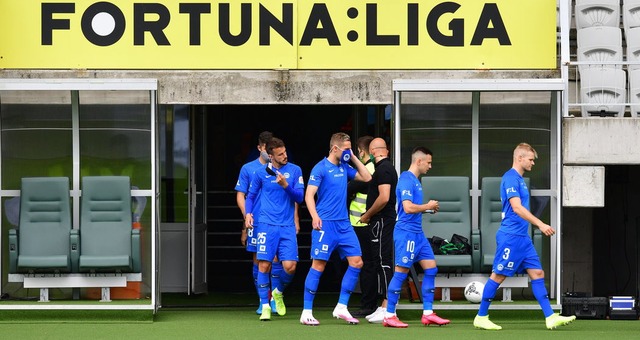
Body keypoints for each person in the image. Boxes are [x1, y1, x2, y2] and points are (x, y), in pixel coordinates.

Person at [473, 143, 576, 330]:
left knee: (537, 273)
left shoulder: (520, 180)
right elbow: (517, 208)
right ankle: (481, 316)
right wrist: (540, 223)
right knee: (498, 276)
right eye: (530, 159)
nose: (533, 163)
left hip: (523, 238)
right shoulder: (510, 178)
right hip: (511, 237)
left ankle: (550, 317)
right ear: (519, 158)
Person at [300, 132, 372, 326]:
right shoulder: (320, 168)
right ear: (334, 149)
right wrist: (315, 217)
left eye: (350, 148)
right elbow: (309, 196)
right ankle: (306, 312)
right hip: (325, 224)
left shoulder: (345, 167)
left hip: (344, 224)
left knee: (357, 262)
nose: (349, 151)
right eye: (346, 148)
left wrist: (353, 157)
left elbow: (367, 177)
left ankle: (341, 307)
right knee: (319, 265)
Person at [382, 146, 450, 328]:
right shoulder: (406, 179)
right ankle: (389, 314)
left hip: (418, 234)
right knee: (401, 272)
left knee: (431, 268)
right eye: (428, 162)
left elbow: (414, 208)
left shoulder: (416, 181)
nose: (430, 166)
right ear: (418, 161)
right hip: (406, 233)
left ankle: (428, 313)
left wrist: (427, 208)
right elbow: (408, 207)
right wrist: (427, 205)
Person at [245, 137, 304, 321]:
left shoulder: (295, 170)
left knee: (290, 267)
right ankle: (265, 306)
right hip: (265, 225)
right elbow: (250, 196)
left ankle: (277, 292)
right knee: (264, 265)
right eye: (280, 154)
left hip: (286, 226)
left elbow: (300, 197)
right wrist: (248, 214)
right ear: (270, 156)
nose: (285, 156)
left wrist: (285, 186)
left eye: (285, 152)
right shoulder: (261, 173)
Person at [234, 131, 282, 315]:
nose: (268, 152)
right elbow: (241, 195)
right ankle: (263, 301)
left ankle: (276, 298)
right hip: (257, 222)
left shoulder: (282, 167)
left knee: (277, 259)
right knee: (259, 260)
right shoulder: (248, 168)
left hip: (277, 221)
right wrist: (246, 219)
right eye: (266, 148)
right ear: (260, 148)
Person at [355, 138, 397, 324]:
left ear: (373, 151)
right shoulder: (382, 168)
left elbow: (384, 198)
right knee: (380, 262)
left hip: (381, 221)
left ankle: (388, 307)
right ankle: (383, 306)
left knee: (383, 262)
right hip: (379, 221)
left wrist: (367, 215)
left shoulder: (384, 169)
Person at [346, 136, 376, 319]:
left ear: (361, 151)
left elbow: (349, 188)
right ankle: (368, 303)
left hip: (362, 224)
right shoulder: (370, 168)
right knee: (366, 264)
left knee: (367, 266)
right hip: (360, 223)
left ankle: (367, 305)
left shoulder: (369, 169)